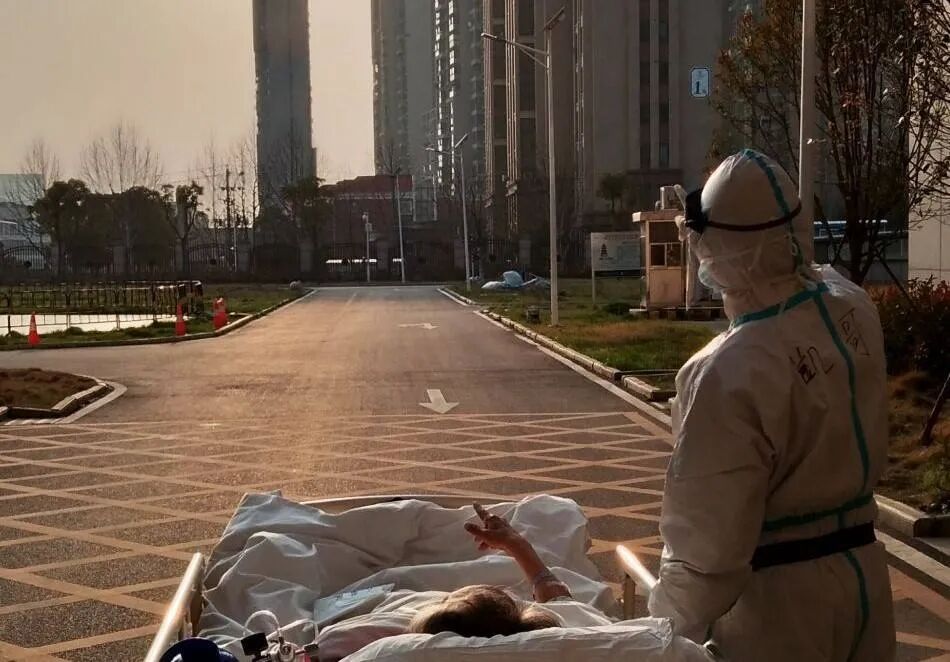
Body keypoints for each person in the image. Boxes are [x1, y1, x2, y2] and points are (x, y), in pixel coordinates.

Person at [648, 149, 896, 661]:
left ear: (714, 248)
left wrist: (656, 631)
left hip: (779, 606)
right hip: (866, 580)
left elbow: (706, 550)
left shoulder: (727, 370)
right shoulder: (853, 306)